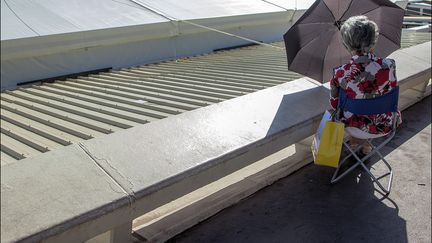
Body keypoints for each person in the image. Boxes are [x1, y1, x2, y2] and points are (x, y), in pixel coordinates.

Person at [329, 15, 402, 155]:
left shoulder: (340, 72)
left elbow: (334, 105)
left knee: (353, 114)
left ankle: (357, 146)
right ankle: (366, 147)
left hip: (354, 127)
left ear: (346, 44)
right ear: (373, 41)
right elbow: (390, 90)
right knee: (372, 107)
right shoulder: (389, 65)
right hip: (386, 123)